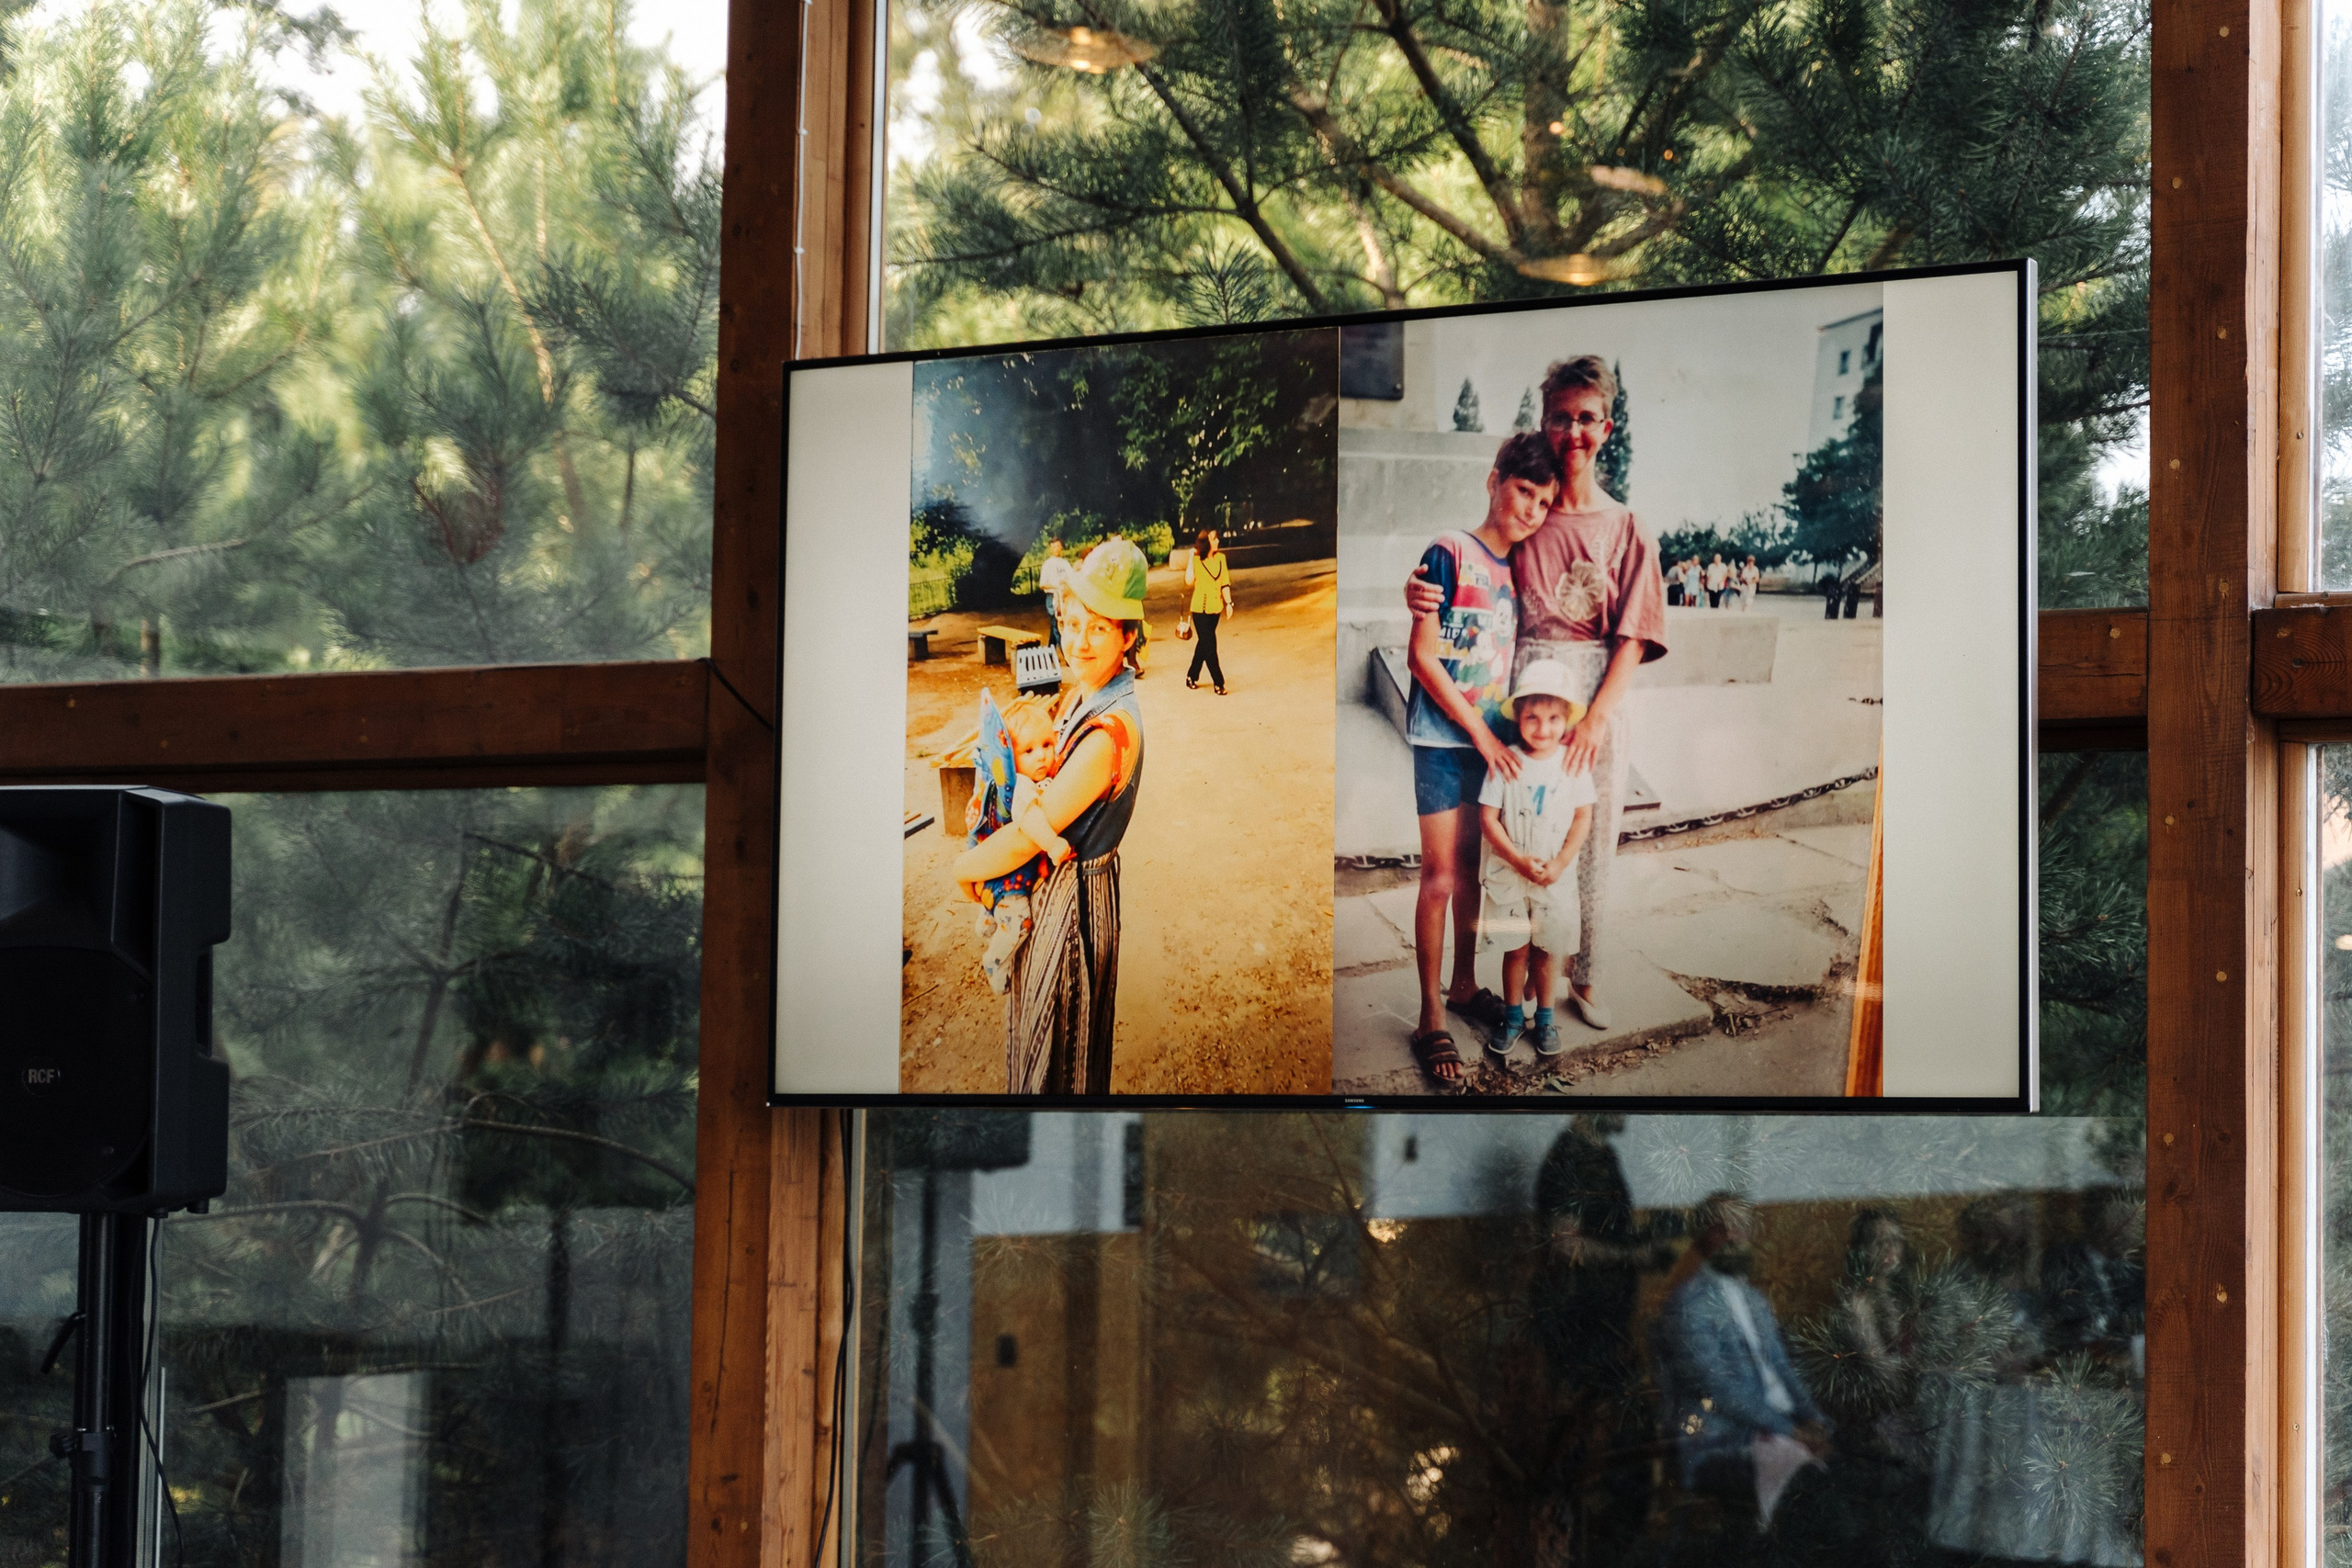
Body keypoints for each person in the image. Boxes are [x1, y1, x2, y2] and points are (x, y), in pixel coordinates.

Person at [1407, 355, 1668, 1036]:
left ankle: (1586, 972)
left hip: (1593, 694)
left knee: (1590, 835)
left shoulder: (1626, 525)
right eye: (1561, 416)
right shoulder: (1533, 512)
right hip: (1520, 689)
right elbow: (1475, 570)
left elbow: (1634, 635)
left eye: (1587, 418)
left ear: (1605, 427)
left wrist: (1598, 719)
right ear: (1544, 421)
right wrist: (1421, 593)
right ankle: (1512, 979)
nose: (1573, 431)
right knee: (1519, 834)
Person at [953, 539, 1148, 1094]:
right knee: (1043, 1046)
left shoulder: (1110, 734)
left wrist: (962, 870)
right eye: (1072, 623)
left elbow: (1024, 840)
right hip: (1055, 892)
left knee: (1059, 1066)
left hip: (1074, 907)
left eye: (1100, 629)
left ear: (1129, 636)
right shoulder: (1083, 695)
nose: (1078, 642)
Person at [1400, 432, 1564, 1088]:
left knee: (1473, 871)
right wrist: (1480, 732)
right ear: (1495, 480)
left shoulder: (1517, 571)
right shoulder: (1448, 551)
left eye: (1544, 500)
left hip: (1490, 739)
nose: (1531, 508)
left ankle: (1466, 984)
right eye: (1524, 490)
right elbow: (1423, 656)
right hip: (1445, 739)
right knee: (1439, 876)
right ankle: (1430, 1013)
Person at [1529, 1115, 1668, 1562]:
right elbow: (1563, 1245)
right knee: (1581, 1457)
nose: (1630, 1112)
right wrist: (1632, 1256)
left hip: (1607, 1330)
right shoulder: (1571, 1156)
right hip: (1578, 1334)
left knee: (1620, 1455)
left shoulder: (1602, 1154)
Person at [1654, 1193, 1828, 1548]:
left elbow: (1783, 1368)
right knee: (1815, 1492)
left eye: (1742, 1227)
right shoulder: (1688, 1305)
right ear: (1702, 1237)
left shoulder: (1755, 1300)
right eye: (1722, 1228)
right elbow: (1718, 1390)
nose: (1735, 1236)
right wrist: (1792, 1430)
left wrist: (1815, 1420)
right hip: (1720, 1438)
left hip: (1779, 1428)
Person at [1475, 660, 1595, 1063]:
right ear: (1518, 716)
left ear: (1566, 720)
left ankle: (1545, 1018)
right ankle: (1512, 1016)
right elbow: (1488, 818)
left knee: (1547, 950)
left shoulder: (1571, 764)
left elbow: (1583, 816)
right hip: (1513, 872)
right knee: (1517, 948)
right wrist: (1516, 858)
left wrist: (1560, 862)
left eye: (1554, 718)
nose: (1542, 728)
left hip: (1554, 878)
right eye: (1532, 717)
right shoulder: (1507, 761)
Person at [958, 692, 1074, 995]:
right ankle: (995, 961)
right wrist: (1053, 844)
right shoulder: (1021, 788)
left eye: (1047, 745)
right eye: (1029, 750)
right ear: (1012, 758)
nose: (1041, 756)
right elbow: (1028, 820)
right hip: (1008, 878)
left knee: (1001, 909)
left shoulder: (1033, 780)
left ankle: (987, 921)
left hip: (999, 870)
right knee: (1020, 921)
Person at [1182, 528, 1234, 694]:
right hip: (1200, 609)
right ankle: (1219, 682)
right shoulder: (1197, 560)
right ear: (1206, 542)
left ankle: (1191, 675)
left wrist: (1229, 603)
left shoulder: (1221, 559)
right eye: (1214, 539)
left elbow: (1225, 582)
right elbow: (1189, 580)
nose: (1218, 541)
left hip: (1215, 608)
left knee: (1204, 644)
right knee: (1210, 645)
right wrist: (1191, 557)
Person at [1038, 537, 1075, 652]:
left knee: (1056, 624)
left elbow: (1072, 578)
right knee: (1057, 624)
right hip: (1053, 598)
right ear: (1050, 549)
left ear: (1061, 547)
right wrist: (1056, 587)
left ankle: (1050, 650)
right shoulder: (1047, 564)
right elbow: (1043, 584)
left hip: (1065, 598)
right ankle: (1066, 653)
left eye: (1058, 546)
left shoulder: (1065, 563)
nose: (1056, 549)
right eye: (1054, 547)